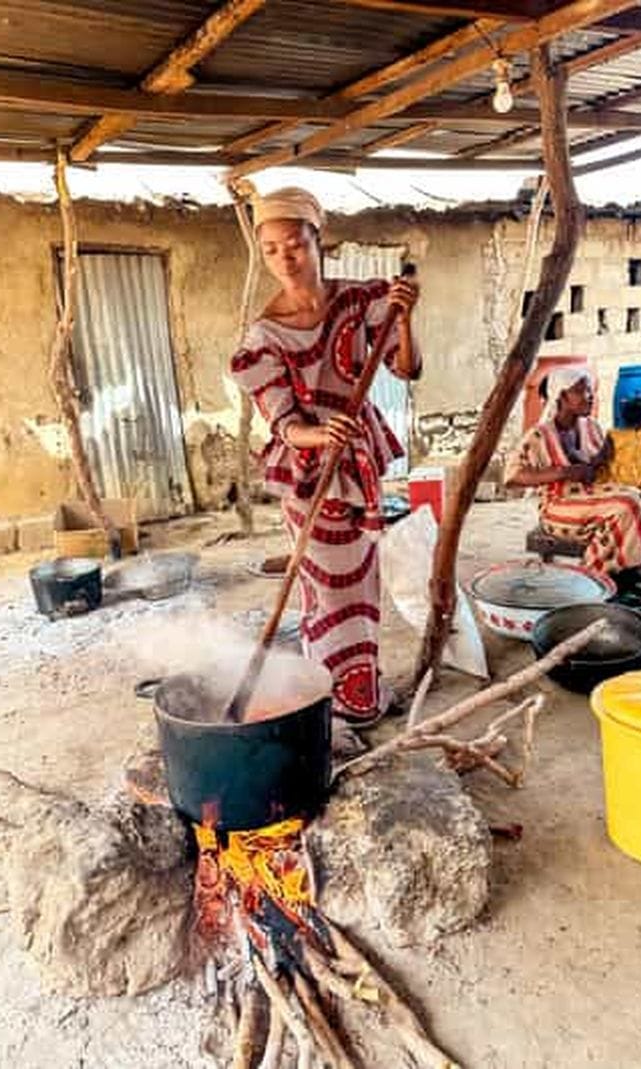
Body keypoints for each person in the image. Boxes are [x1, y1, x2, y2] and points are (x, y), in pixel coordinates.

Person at [231, 187, 420, 727]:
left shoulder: (359, 302)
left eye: (294, 244)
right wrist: (320, 436)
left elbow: (407, 369)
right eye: (270, 250)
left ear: (319, 240)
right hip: (312, 480)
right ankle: (329, 704)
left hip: (358, 470)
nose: (284, 259)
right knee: (324, 595)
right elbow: (284, 422)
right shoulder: (263, 335)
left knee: (363, 587)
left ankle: (361, 696)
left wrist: (404, 318)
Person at [504, 367, 641, 591]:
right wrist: (564, 472)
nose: (590, 396)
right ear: (562, 397)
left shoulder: (592, 427)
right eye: (581, 391)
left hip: (597, 495)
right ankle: (595, 578)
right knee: (628, 505)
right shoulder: (539, 435)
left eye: (590, 390)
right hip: (560, 506)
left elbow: (608, 464)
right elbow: (512, 477)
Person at [594, 394, 641, 491]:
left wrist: (592, 464)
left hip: (616, 483)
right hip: (640, 484)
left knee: (604, 469)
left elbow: (602, 457)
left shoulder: (613, 436)